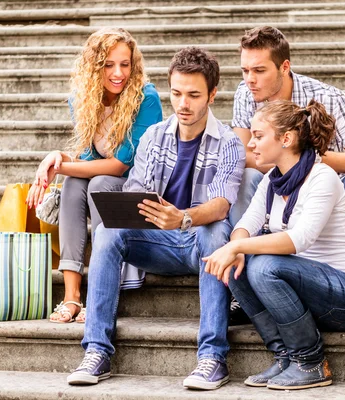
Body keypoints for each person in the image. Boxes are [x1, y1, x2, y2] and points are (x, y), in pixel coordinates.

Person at [66, 47, 245, 390]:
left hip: (199, 243)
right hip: (157, 242)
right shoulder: (154, 136)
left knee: (215, 231)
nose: (183, 104)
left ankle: (212, 358)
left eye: (194, 95)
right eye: (177, 94)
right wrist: (138, 211)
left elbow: (222, 204)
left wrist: (183, 218)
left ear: (212, 94)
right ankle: (97, 351)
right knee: (107, 233)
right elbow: (137, 196)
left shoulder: (229, 143)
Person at [230, 26, 345, 333]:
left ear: (284, 67)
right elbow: (243, 153)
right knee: (246, 175)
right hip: (282, 191)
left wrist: (307, 160)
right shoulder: (245, 95)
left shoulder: (328, 97)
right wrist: (283, 163)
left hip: (329, 196)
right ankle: (247, 281)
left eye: (259, 70)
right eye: (245, 70)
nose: (250, 79)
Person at [205, 99, 345, 390]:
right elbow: (245, 225)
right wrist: (236, 246)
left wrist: (238, 248)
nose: (251, 144)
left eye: (259, 136)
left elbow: (299, 239)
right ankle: (285, 356)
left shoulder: (322, 177)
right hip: (310, 290)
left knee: (262, 264)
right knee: (238, 267)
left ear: (286, 138)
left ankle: (310, 362)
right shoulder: (272, 180)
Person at [26, 27, 163, 323]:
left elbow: (119, 165)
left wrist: (59, 167)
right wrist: (57, 158)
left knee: (99, 182)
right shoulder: (83, 100)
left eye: (124, 64)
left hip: (140, 185)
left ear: (133, 65)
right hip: (103, 184)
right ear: (94, 66)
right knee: (75, 182)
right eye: (108, 65)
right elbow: (88, 158)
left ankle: (103, 290)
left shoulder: (145, 98)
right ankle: (72, 295)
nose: (118, 73)